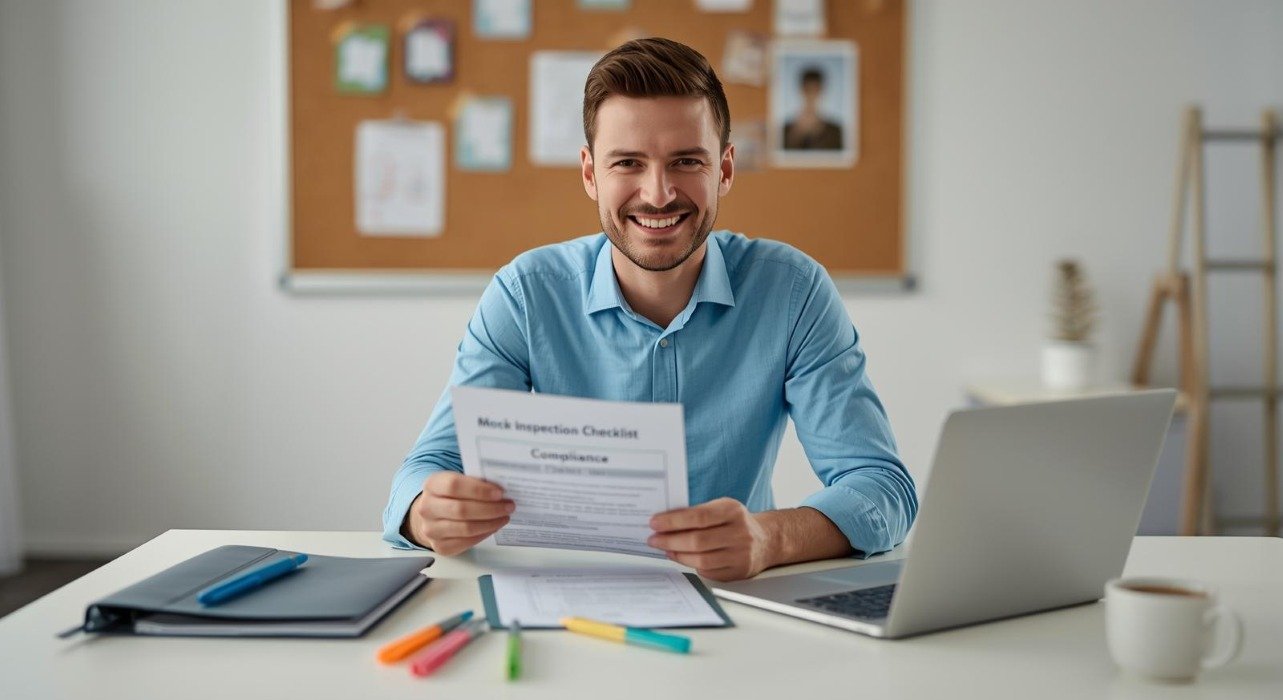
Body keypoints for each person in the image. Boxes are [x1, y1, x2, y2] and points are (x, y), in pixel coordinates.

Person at [383, 38, 916, 582]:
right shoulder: (525, 294)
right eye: (628, 163)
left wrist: (769, 538)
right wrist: (428, 514)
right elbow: (422, 474)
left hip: (738, 607)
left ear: (725, 169)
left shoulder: (792, 291)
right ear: (590, 174)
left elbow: (882, 487)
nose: (658, 194)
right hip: (571, 603)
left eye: (685, 161)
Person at [781, 66, 843, 150]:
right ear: (801, 90)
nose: (811, 95)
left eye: (815, 89)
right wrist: (796, 134)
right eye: (808, 89)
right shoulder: (785, 130)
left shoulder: (836, 131)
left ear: (821, 91)